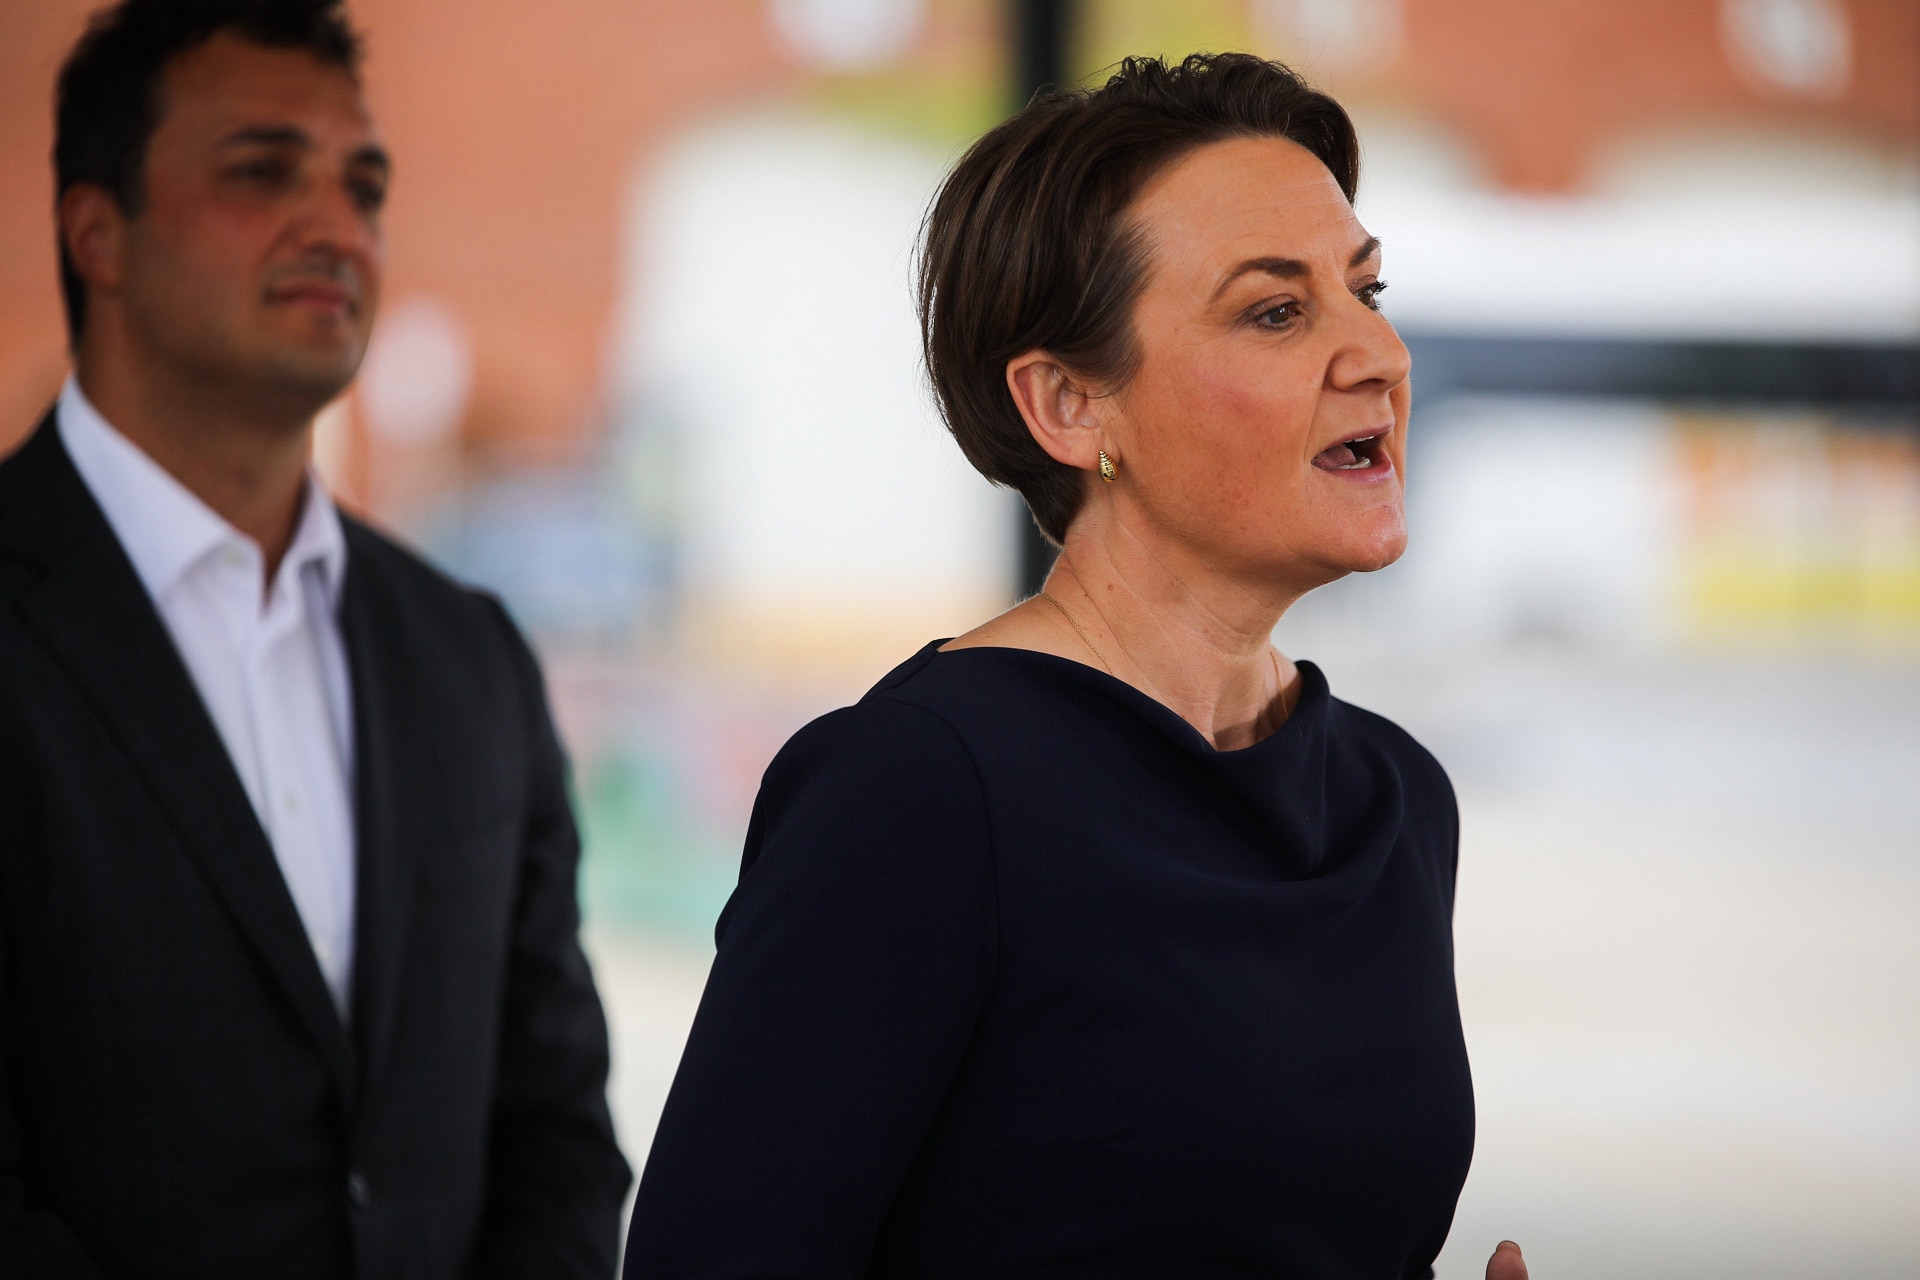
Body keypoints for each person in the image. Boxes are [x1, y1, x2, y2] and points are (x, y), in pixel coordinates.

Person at [624, 53, 1532, 1280]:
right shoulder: (922, 788)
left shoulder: (1394, 795)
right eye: (1277, 310)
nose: (1375, 351)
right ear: (1068, 406)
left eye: (1369, 291)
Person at [0, 1, 630, 1275]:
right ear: (96, 230)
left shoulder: (469, 656)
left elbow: (555, 1128)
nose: (338, 227)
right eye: (261, 171)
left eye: (365, 185)